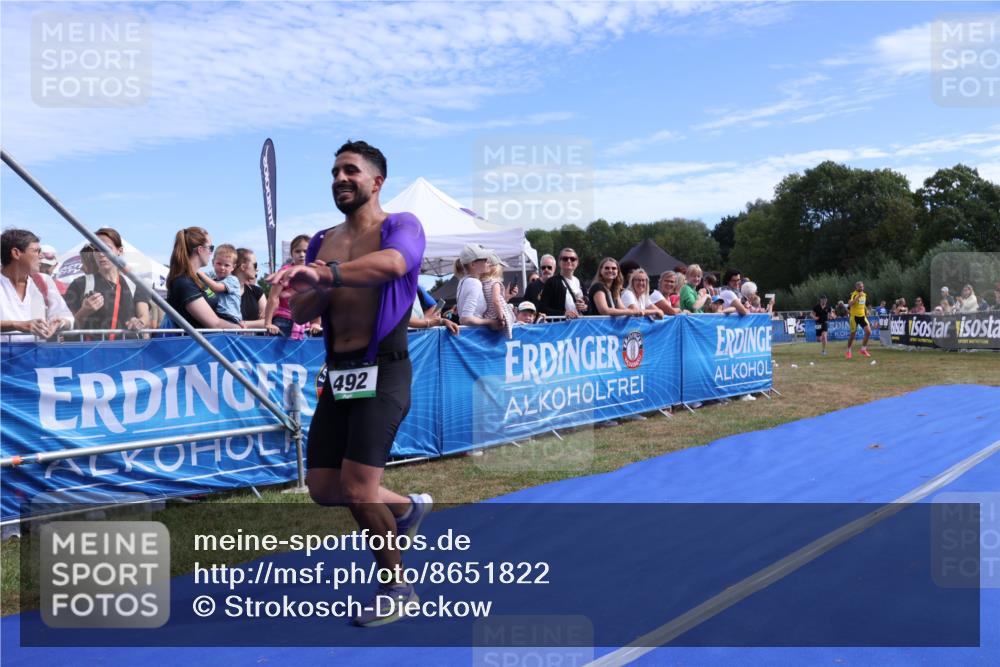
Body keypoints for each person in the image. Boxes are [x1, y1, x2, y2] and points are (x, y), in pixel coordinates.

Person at [267, 140, 432, 627]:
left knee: (360, 489)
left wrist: (327, 274)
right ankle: (405, 508)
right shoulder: (322, 239)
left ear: (376, 181)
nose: (340, 177)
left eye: (350, 171)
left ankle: (397, 586)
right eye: (335, 170)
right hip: (340, 374)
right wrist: (309, 285)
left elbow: (394, 265)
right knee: (323, 487)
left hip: (386, 367)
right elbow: (301, 310)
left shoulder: (401, 226)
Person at [64, 227, 150, 339]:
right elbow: (72, 328)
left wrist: (138, 322)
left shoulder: (134, 284)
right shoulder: (79, 284)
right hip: (93, 354)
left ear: (120, 251)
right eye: (96, 249)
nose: (101, 254)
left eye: (107, 248)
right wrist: (83, 312)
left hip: (128, 352)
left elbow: (144, 316)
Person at [1, 229, 73, 340]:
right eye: (36, 251)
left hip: (36, 354)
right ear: (16, 253)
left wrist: (60, 322)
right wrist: (17, 325)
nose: (41, 256)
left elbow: (67, 317)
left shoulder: (44, 281)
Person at [165, 227, 242, 330]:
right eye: (211, 248)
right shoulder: (184, 282)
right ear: (200, 250)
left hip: (206, 343)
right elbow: (215, 324)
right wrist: (240, 329)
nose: (211, 253)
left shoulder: (196, 279)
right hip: (195, 345)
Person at [265, 235, 321, 338]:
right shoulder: (284, 271)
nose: (302, 255)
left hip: (305, 323)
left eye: (306, 251)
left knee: (300, 353)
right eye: (297, 251)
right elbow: (273, 297)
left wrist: (316, 323)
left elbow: (317, 300)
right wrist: (268, 323)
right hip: (283, 320)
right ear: (291, 253)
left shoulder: (315, 272)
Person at [454, 242, 500, 329]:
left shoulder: (464, 281)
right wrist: (491, 322)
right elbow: (465, 319)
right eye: (485, 259)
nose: (488, 262)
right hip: (474, 335)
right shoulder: (474, 283)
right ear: (472, 264)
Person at [199, 244, 243, 325]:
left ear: (233, 267)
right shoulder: (212, 281)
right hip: (218, 316)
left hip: (230, 317)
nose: (222, 267)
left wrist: (199, 273)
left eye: (226, 265)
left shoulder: (233, 280)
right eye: (219, 263)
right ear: (213, 263)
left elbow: (216, 287)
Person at [538, 247, 587, 318]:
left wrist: (585, 307)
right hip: (561, 325)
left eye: (572, 259)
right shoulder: (552, 282)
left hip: (579, 324)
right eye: (565, 259)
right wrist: (563, 314)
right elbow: (542, 308)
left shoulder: (580, 282)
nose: (569, 261)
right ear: (559, 262)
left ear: (577, 262)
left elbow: (589, 307)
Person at [481, 254, 516, 337]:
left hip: (487, 315)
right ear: (496, 268)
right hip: (496, 316)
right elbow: (496, 301)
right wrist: (501, 318)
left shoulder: (483, 283)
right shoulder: (495, 283)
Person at [235, 248, 266, 328]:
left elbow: (267, 321)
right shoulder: (219, 289)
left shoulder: (257, 292)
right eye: (255, 265)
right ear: (243, 267)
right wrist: (256, 323)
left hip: (253, 340)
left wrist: (245, 324)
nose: (257, 269)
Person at [845, 280, 872, 359]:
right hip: (854, 317)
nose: (862, 288)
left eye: (863, 286)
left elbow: (863, 304)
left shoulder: (864, 295)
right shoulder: (853, 294)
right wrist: (857, 297)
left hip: (862, 316)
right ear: (856, 287)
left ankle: (863, 349)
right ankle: (848, 351)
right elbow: (850, 304)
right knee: (853, 335)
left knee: (868, 332)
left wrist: (866, 310)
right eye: (860, 287)